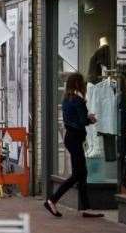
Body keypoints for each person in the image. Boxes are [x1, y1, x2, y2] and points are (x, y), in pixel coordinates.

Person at [44, 72, 104, 218]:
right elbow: (82, 121)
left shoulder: (66, 99)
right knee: (78, 174)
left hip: (70, 138)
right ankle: (52, 200)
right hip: (75, 139)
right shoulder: (78, 100)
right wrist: (91, 119)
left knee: (82, 173)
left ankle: (86, 208)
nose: (84, 84)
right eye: (82, 82)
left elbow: (73, 118)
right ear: (78, 84)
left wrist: (85, 118)